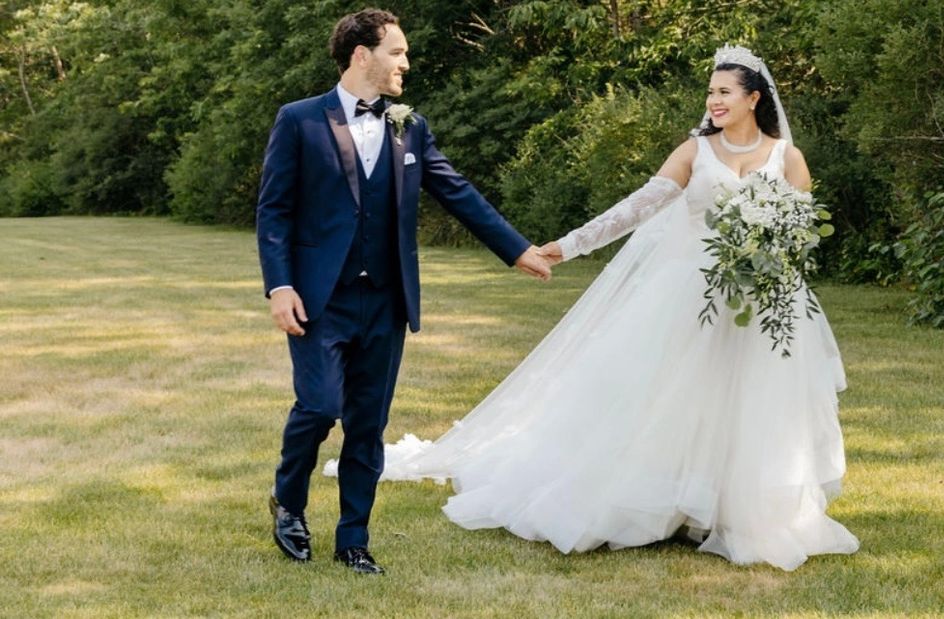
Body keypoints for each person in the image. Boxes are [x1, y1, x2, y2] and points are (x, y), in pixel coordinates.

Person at [342, 44, 860, 571]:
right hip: (692, 295)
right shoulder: (695, 152)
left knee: (753, 403)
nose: (713, 101)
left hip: (763, 299)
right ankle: (671, 504)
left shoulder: (787, 158)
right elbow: (634, 209)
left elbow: (802, 232)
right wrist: (567, 246)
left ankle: (738, 508)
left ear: (753, 98)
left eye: (724, 92)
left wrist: (769, 257)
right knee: (675, 400)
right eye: (710, 91)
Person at [256, 8, 553, 575]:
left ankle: (353, 540)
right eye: (398, 52)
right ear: (361, 55)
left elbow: (456, 191)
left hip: (387, 300)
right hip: (320, 298)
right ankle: (288, 502)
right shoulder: (299, 120)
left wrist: (517, 249)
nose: (406, 64)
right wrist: (280, 285)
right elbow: (274, 210)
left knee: (367, 424)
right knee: (319, 407)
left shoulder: (407, 124)